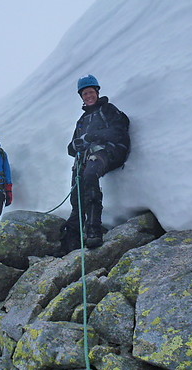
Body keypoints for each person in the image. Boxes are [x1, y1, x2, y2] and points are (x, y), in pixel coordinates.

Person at [61, 74, 130, 252]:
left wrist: (92, 137)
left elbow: (119, 130)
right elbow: (71, 147)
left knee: (90, 174)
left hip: (110, 150)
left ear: (97, 92)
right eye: (85, 94)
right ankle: (73, 237)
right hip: (89, 156)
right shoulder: (82, 121)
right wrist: (76, 144)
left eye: (91, 92)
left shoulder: (108, 110)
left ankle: (94, 229)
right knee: (77, 186)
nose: (88, 96)